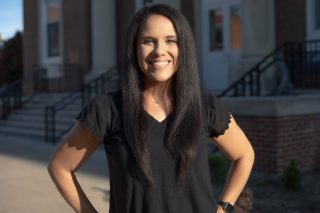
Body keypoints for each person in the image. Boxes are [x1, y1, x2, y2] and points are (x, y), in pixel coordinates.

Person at [48, 3, 255, 213]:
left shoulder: (205, 107)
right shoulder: (108, 110)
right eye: (149, 41)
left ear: (183, 48)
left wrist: (225, 207)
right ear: (134, 48)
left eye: (170, 41)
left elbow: (244, 155)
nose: (159, 51)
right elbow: (60, 167)